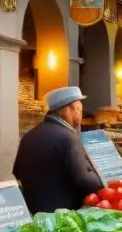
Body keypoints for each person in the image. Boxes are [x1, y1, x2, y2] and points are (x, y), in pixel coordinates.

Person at [13, 86, 103, 214]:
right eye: (79, 110)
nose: (81, 115)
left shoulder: (28, 136)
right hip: (62, 216)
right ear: (68, 109)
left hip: (34, 214)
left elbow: (17, 172)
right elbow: (84, 180)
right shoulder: (68, 138)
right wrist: (106, 180)